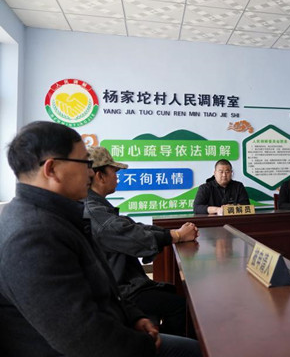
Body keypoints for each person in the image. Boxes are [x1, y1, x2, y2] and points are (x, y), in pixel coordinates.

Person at [0, 121, 201, 357]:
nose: (89, 173)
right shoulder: (32, 236)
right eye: (85, 163)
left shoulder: (57, 215)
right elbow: (81, 337)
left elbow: (103, 283)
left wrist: (133, 316)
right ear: (52, 169)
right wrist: (144, 344)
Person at [84, 146, 198, 337]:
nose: (117, 177)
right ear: (100, 176)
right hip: (119, 291)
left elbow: (133, 226)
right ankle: (167, 347)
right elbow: (133, 236)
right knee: (182, 307)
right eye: (114, 172)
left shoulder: (96, 205)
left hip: (120, 284)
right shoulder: (93, 211)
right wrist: (177, 236)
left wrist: (173, 233)